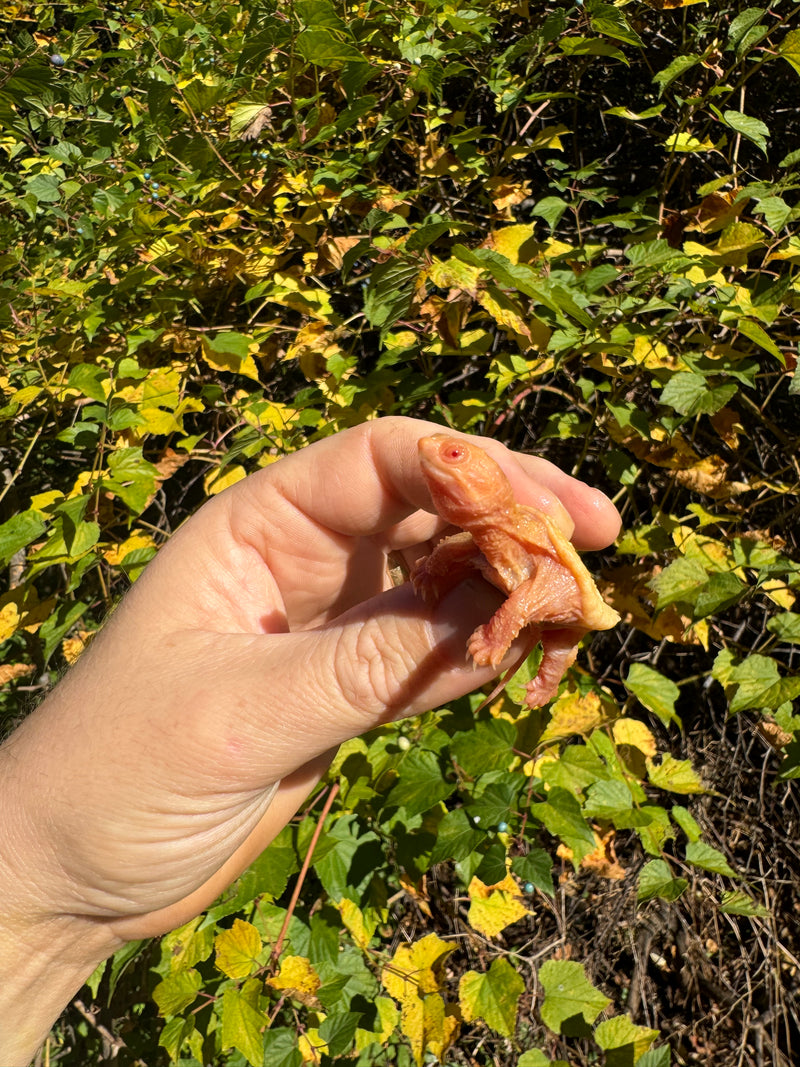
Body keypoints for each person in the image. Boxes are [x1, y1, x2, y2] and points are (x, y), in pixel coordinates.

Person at [0, 416, 621, 1064]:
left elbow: (545, 593)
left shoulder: (519, 531)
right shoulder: (481, 535)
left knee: (551, 637)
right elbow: (460, 550)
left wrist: (505, 623)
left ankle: (544, 664)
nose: (434, 457)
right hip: (503, 558)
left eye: (456, 453)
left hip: (553, 587)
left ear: (491, 481)